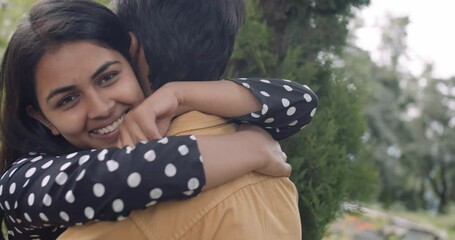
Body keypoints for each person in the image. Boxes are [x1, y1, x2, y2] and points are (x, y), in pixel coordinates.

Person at [0, 1, 318, 239]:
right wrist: (250, 149)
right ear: (42, 117)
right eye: (68, 99)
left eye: (108, 77)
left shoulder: (170, 117)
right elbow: (117, 176)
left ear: (134, 59)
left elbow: (299, 101)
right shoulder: (21, 183)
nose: (99, 108)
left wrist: (181, 94)